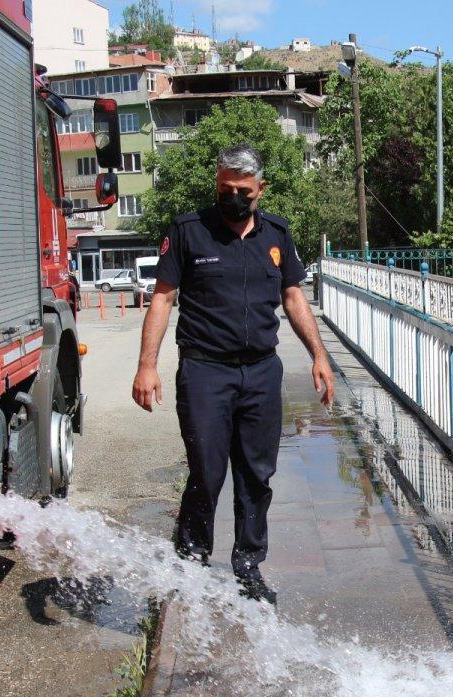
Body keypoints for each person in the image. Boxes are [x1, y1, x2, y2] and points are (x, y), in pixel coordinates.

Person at [131, 144, 335, 604]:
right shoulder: (189, 231)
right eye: (225, 188)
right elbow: (163, 298)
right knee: (206, 471)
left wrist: (319, 355)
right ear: (217, 184)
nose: (234, 197)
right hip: (205, 372)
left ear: (260, 189)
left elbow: (294, 298)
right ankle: (192, 563)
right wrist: (147, 365)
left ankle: (248, 565)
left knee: (257, 475)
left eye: (243, 190)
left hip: (262, 373)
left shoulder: (276, 234)